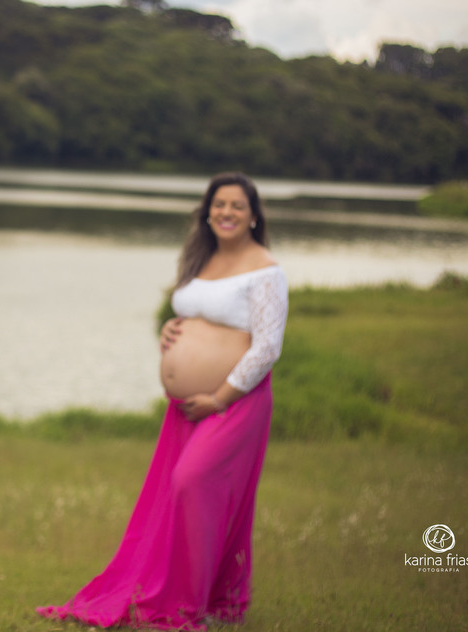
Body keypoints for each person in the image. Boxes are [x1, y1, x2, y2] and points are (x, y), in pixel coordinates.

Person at [37, 172, 288, 631]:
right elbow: (198, 316)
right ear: (207, 211)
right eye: (218, 204)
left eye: (236, 205)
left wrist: (218, 397)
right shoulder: (202, 258)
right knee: (174, 494)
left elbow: (268, 347)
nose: (226, 213)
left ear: (254, 215)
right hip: (189, 408)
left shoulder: (266, 269)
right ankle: (194, 595)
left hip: (233, 402)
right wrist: (172, 329)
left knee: (191, 484)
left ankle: (187, 604)